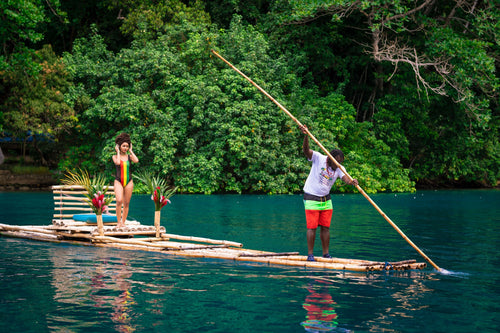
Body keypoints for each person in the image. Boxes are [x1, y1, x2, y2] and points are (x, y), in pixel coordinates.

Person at [300, 125, 358, 262]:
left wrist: (352, 181)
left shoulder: (338, 168)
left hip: (326, 199)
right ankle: (310, 255)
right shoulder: (319, 158)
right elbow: (305, 150)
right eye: (337, 162)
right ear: (330, 158)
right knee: (312, 227)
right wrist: (306, 135)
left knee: (326, 228)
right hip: (311, 197)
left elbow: (345, 178)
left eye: (340, 163)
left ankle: (326, 254)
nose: (338, 165)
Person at [112, 133, 139, 228]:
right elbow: (118, 163)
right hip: (118, 181)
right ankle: (118, 222)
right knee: (119, 201)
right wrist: (118, 152)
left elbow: (136, 160)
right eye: (123, 146)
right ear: (119, 146)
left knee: (126, 203)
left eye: (127, 146)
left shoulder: (129, 157)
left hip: (129, 182)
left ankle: (123, 223)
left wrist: (131, 151)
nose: (125, 148)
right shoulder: (115, 156)